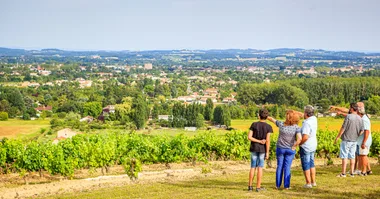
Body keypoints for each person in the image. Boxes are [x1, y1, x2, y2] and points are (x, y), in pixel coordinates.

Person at [267, 110, 302, 190]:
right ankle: (286, 185)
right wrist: (294, 145)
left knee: (279, 166)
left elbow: (272, 119)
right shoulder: (296, 127)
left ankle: (278, 185)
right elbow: (299, 138)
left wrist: (266, 116)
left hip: (280, 148)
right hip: (290, 150)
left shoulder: (281, 124)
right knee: (287, 167)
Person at [334, 103, 363, 177]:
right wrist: (357, 135)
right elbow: (362, 130)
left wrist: (338, 137)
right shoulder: (360, 118)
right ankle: (352, 173)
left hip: (346, 139)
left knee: (344, 156)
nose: (349, 109)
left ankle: (343, 173)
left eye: (350, 108)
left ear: (352, 108)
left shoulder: (348, 117)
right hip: (354, 140)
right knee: (352, 157)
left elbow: (343, 128)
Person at [247, 109, 273, 192]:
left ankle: (250, 186)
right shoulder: (268, 127)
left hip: (254, 148)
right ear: (267, 117)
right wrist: (267, 152)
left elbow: (249, 137)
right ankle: (258, 187)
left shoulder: (254, 124)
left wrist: (257, 141)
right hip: (262, 149)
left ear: (259, 116)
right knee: (260, 168)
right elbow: (268, 141)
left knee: (252, 167)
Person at [299, 105, 318, 188]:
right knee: (311, 163)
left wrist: (300, 143)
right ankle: (313, 181)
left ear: (306, 113)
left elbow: (305, 136)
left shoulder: (307, 123)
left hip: (306, 146)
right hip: (313, 144)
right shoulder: (314, 119)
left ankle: (308, 183)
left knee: (306, 164)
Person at [357, 106, 372, 176]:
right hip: (362, 140)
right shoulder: (363, 118)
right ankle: (368, 170)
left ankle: (364, 171)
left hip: (364, 141)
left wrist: (364, 142)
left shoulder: (364, 120)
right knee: (363, 155)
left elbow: (366, 131)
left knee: (363, 156)